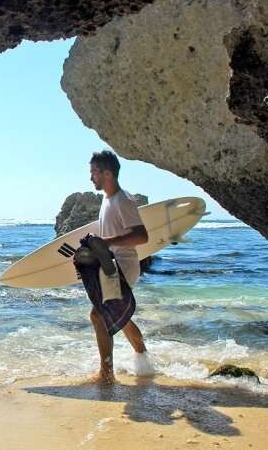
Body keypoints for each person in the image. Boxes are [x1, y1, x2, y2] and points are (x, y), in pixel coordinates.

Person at [86, 150, 151, 383]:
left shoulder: (123, 200)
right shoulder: (107, 199)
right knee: (117, 315)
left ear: (107, 173)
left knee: (99, 316)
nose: (91, 177)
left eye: (94, 172)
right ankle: (144, 360)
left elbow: (142, 236)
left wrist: (108, 242)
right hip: (112, 265)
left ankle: (107, 373)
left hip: (123, 265)